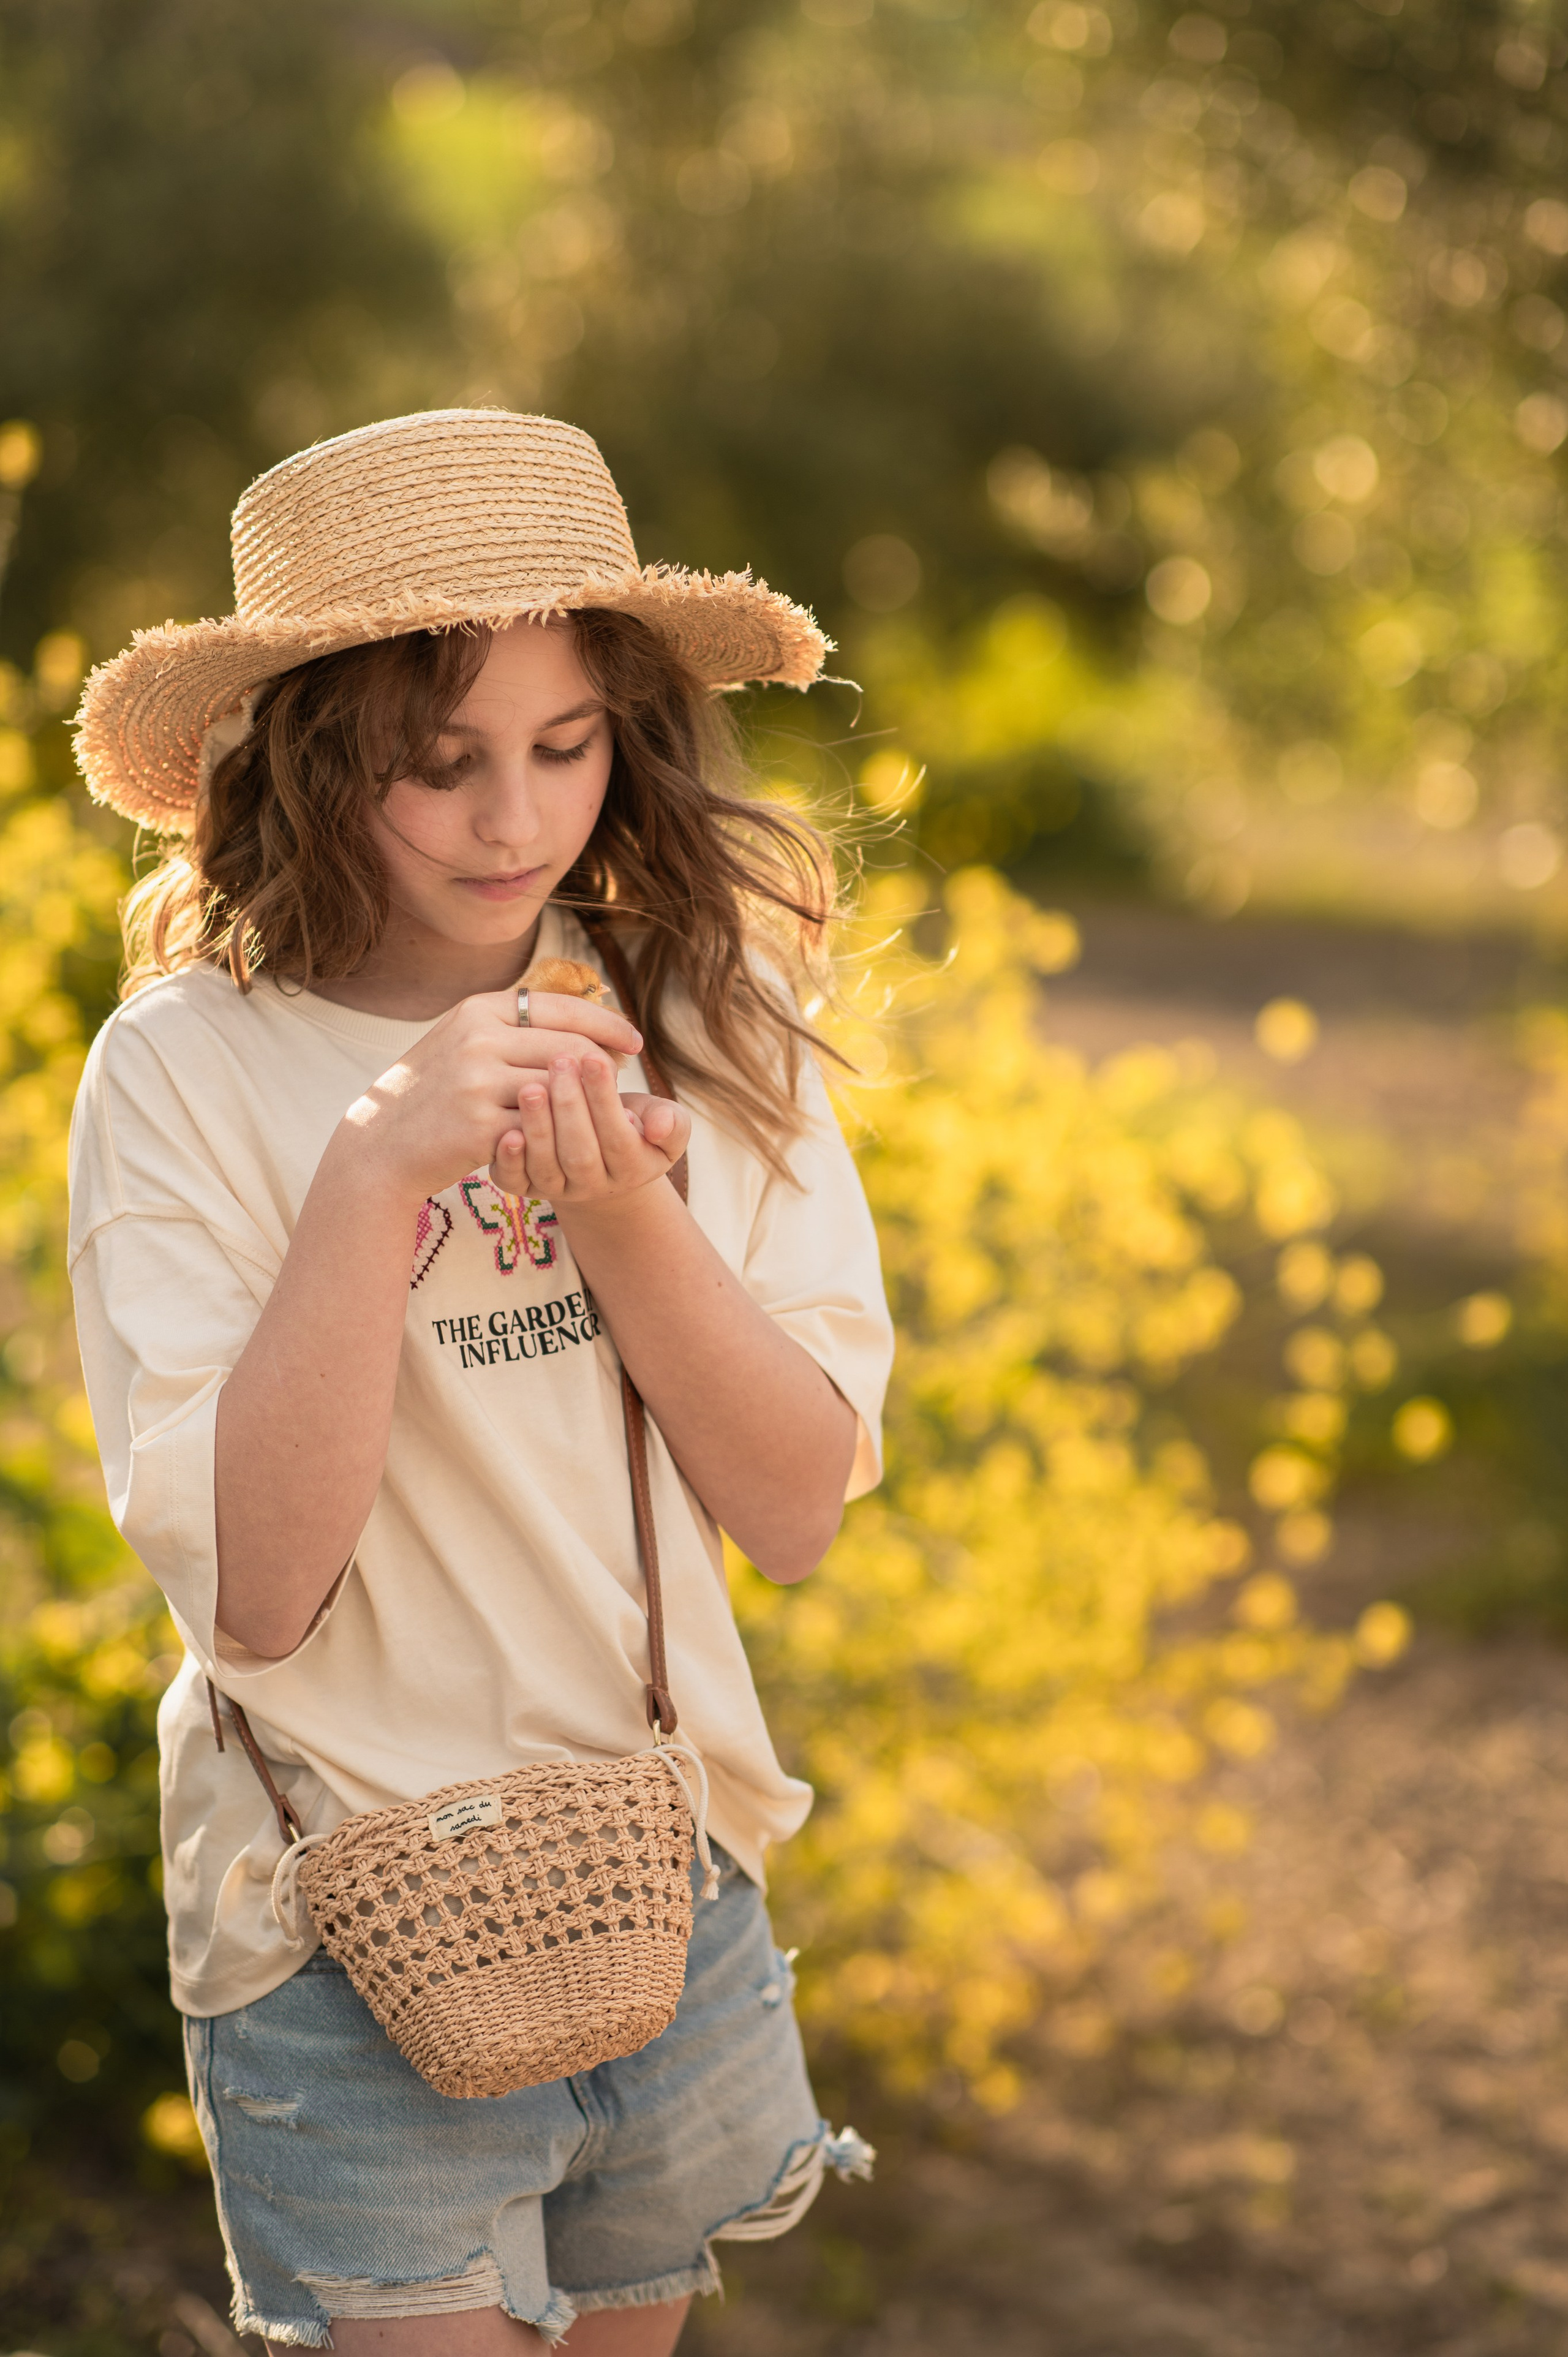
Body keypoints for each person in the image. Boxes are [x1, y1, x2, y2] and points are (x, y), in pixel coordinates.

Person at [68, 409, 892, 2354]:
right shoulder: (182, 1070)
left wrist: (624, 1215)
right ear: (306, 757)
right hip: (333, 1924)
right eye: (439, 765)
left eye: (567, 746)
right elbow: (263, 1595)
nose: (515, 823)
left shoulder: (703, 1014)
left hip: (666, 1881)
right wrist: (375, 1173)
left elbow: (792, 1515)